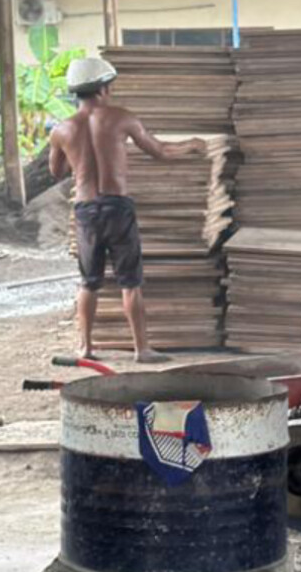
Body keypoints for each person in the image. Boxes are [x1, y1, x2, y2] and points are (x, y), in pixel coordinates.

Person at [48, 53, 205, 363]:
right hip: (118, 207)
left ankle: (85, 348)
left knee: (88, 281)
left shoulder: (61, 130)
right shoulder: (122, 118)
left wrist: (78, 157)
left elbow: (56, 172)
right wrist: (193, 144)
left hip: (86, 210)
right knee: (130, 282)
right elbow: (159, 151)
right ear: (103, 89)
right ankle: (141, 349)